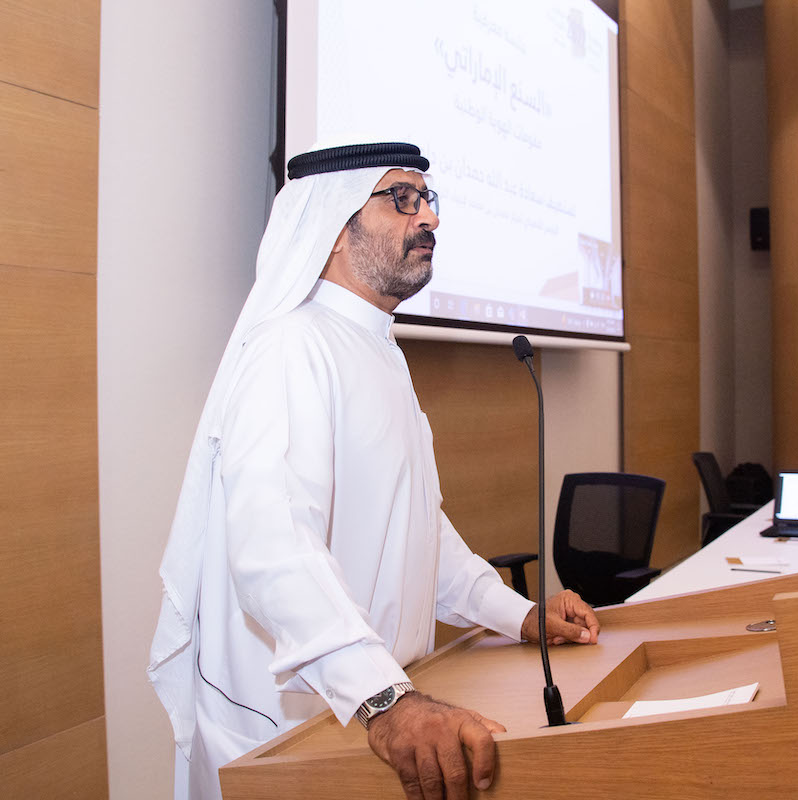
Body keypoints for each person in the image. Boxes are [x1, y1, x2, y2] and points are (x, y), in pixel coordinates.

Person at [148, 142, 601, 800]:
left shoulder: (376, 349)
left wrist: (521, 617)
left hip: (363, 715)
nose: (430, 218)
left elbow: (418, 535)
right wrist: (384, 698)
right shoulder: (291, 348)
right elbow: (273, 547)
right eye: (401, 199)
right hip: (289, 738)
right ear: (335, 227)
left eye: (427, 200)